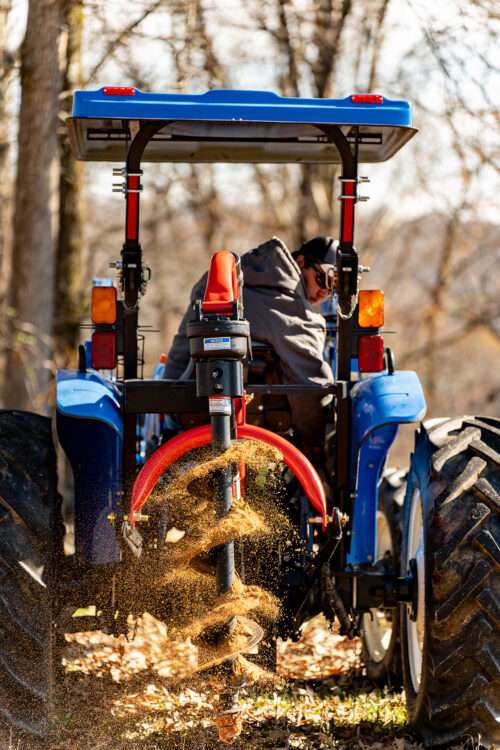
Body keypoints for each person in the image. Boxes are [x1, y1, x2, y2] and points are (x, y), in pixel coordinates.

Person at [164, 236, 336, 449]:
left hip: (191, 418)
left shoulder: (209, 286)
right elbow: (311, 393)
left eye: (334, 285)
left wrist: (171, 416)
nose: (327, 291)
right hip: (269, 435)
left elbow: (179, 355)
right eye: (325, 278)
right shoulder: (298, 316)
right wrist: (314, 448)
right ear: (301, 262)